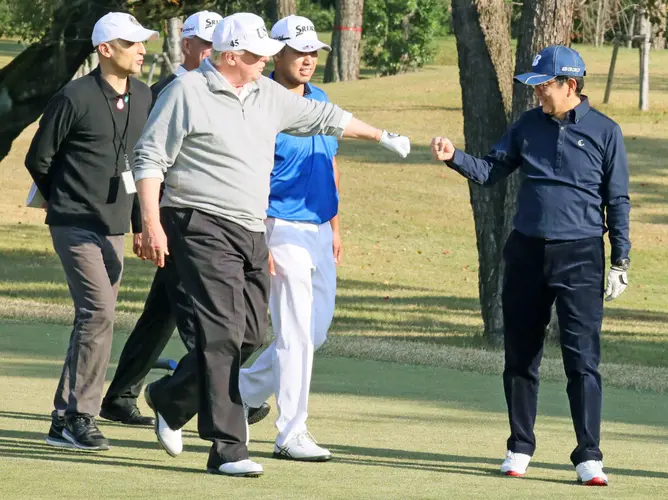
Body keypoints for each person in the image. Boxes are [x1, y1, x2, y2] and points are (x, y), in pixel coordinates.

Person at [132, 13, 410, 477]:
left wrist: (382, 136)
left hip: (250, 228)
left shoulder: (267, 95)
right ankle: (228, 448)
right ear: (232, 56)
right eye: (259, 56)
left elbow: (326, 117)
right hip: (198, 220)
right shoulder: (187, 92)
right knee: (222, 332)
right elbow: (149, 156)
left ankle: (171, 397)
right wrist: (150, 222)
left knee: (250, 334)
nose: (266, 62)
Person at [430, 45, 630, 486]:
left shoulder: (605, 132)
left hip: (581, 257)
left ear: (570, 86)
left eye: (543, 85)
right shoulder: (526, 126)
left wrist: (620, 259)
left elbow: (617, 200)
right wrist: (453, 157)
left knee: (583, 362)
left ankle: (588, 456)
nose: (537, 93)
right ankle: (520, 446)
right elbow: (489, 170)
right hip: (526, 252)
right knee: (521, 357)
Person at [98, 10, 241, 428]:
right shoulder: (162, 91)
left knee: (162, 310)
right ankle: (221, 398)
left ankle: (122, 395)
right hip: (173, 220)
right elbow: (138, 159)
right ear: (188, 46)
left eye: (222, 47)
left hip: (204, 218)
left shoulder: (225, 93)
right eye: (209, 45)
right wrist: (145, 222)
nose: (218, 53)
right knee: (197, 311)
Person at [24, 12, 158, 451]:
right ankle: (81, 414)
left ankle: (62, 418)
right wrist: (64, 201)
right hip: (74, 223)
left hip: (115, 226)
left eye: (142, 43)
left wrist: (141, 224)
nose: (141, 50)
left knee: (93, 320)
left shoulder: (143, 96)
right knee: (99, 313)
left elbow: (142, 167)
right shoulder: (74, 96)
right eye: (132, 43)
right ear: (105, 50)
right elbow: (38, 159)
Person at [237, 15, 340, 462]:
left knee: (312, 334)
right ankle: (290, 432)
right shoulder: (261, 102)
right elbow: (252, 174)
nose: (308, 59)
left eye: (313, 51)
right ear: (274, 54)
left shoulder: (320, 99)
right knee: (294, 334)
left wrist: (336, 227)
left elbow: (331, 164)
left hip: (320, 227)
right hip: (279, 225)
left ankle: (232, 391)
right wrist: (259, 238)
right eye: (299, 51)